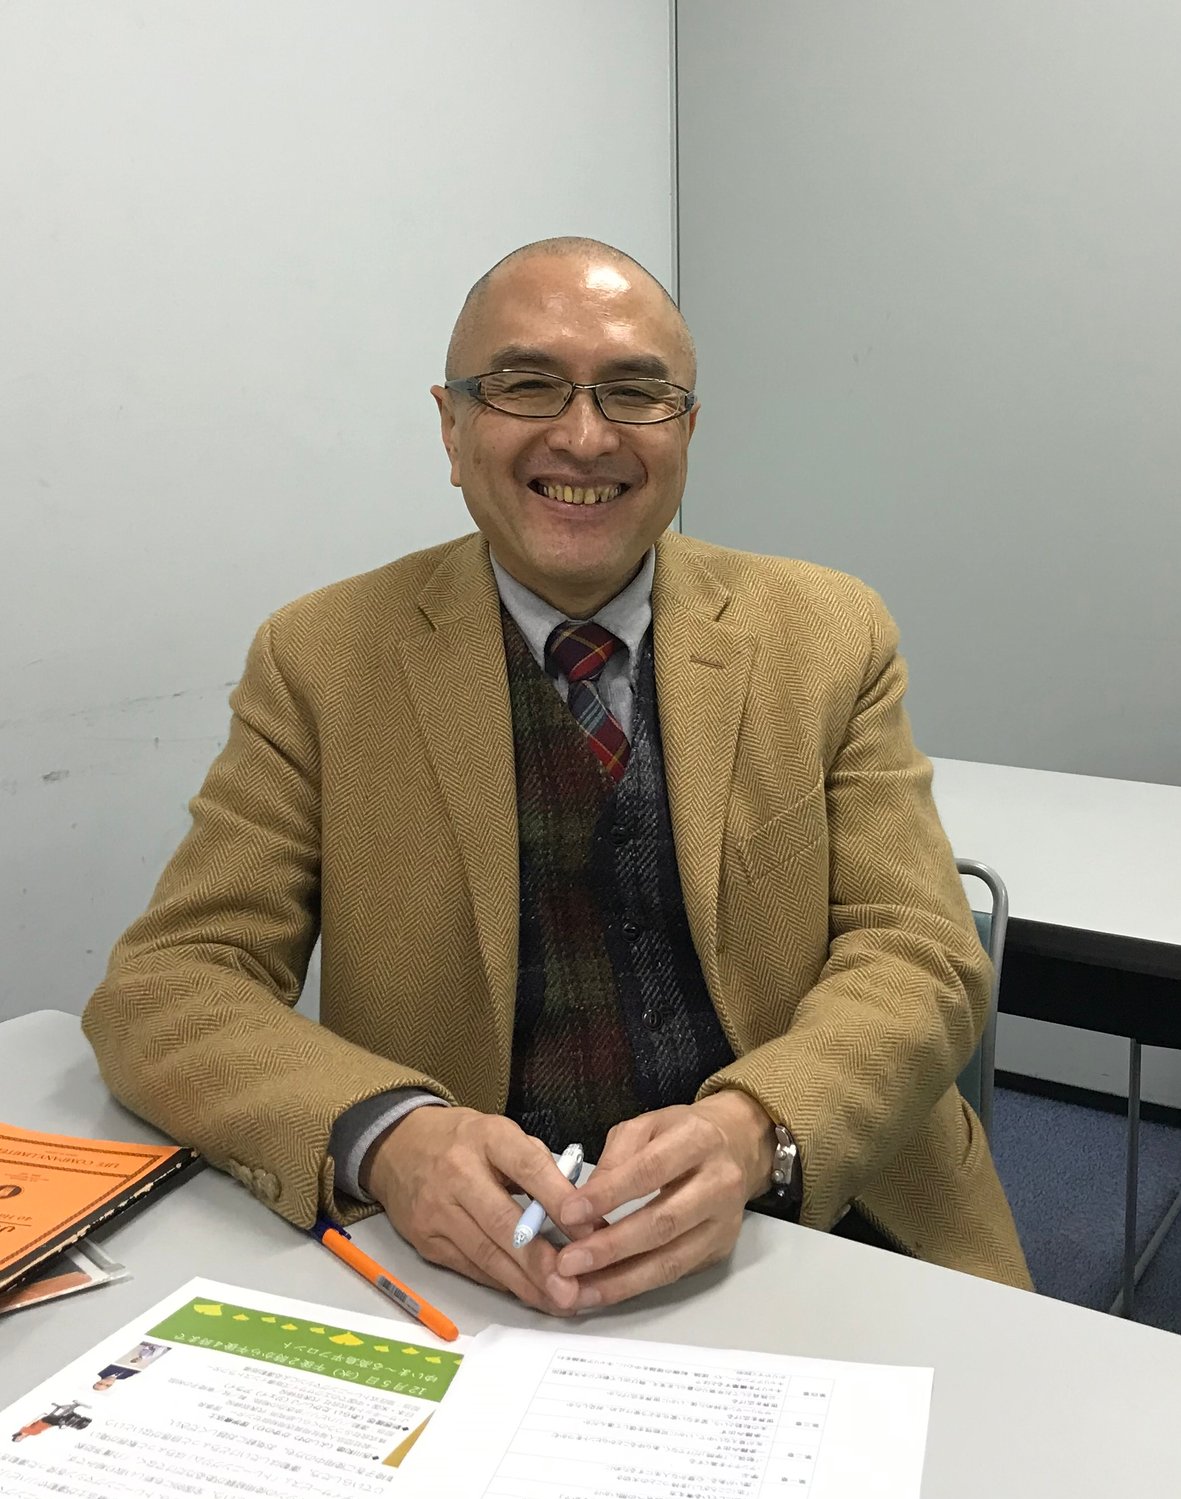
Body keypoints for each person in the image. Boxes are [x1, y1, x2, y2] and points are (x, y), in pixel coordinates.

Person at [82, 236, 1031, 1317]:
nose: (583, 436)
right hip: (469, 1258)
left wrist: (755, 1129)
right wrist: (388, 1137)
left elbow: (918, 951)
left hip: (820, 1212)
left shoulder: (825, 633)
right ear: (451, 428)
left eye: (635, 392)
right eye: (525, 384)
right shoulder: (320, 660)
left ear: (684, 431)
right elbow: (171, 982)